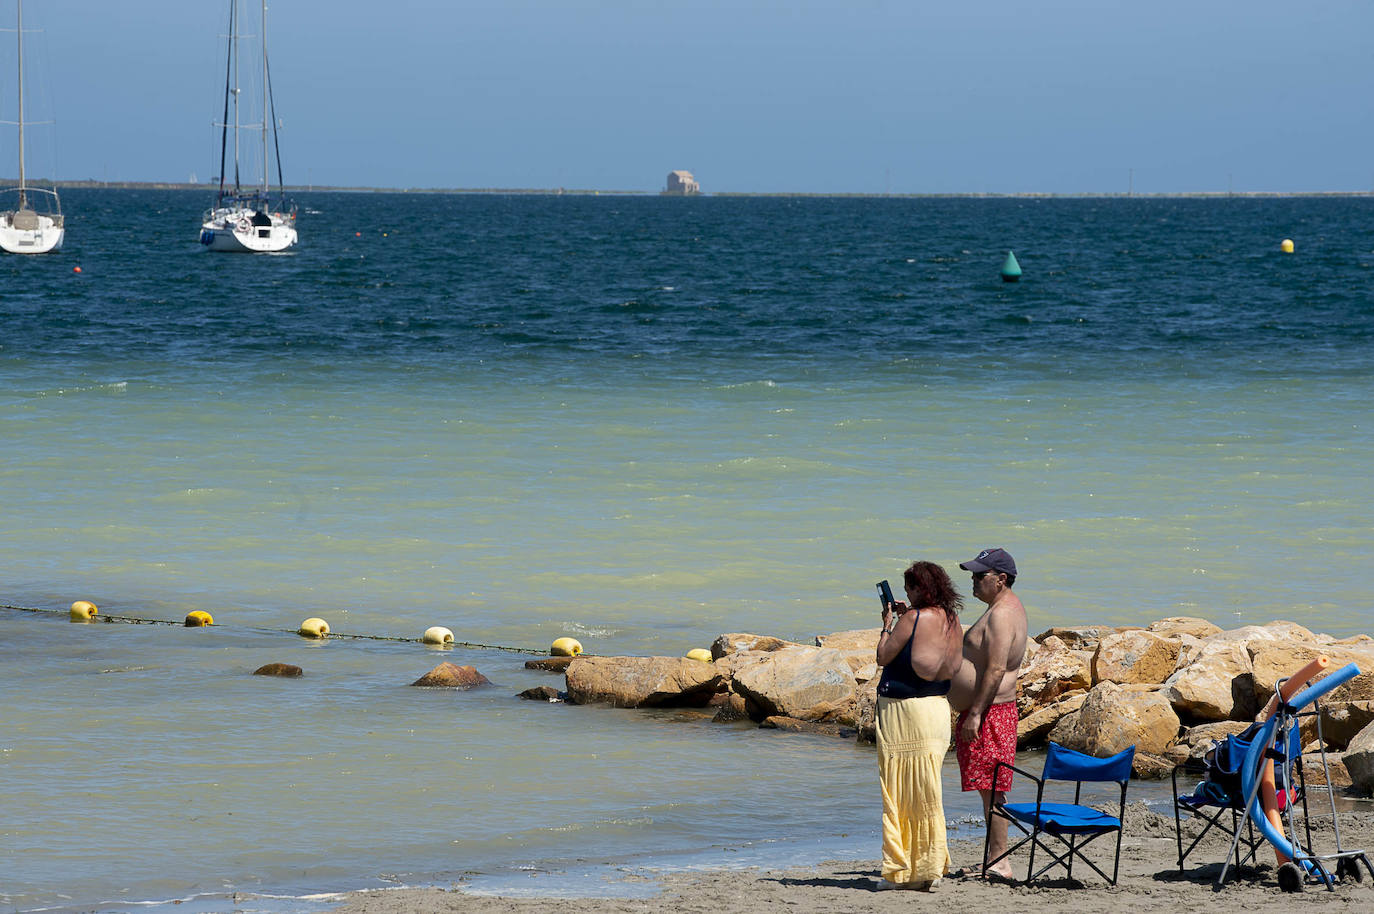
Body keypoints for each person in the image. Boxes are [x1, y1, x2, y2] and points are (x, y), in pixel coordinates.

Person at [873, 560, 965, 890]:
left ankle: (901, 871)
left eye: (909, 589)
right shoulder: (952, 619)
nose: (907, 594)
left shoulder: (912, 618)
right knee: (927, 793)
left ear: (919, 589)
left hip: (906, 712)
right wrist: (906, 615)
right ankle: (929, 868)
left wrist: (888, 624)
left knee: (900, 792)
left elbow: (883, 656)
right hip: (937, 710)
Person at [948, 547, 1029, 881]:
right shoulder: (1002, 608)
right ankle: (995, 858)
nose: (973, 580)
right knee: (990, 788)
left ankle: (1000, 862)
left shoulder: (1002, 614)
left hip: (992, 713)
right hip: (991, 711)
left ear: (1001, 579)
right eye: (973, 575)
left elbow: (995, 669)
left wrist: (975, 714)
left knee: (993, 789)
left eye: (980, 575)